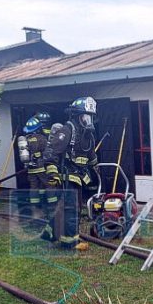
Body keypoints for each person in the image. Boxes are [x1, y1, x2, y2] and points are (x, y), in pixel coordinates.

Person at [43, 96, 99, 247]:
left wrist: (96, 170)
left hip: (79, 177)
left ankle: (51, 236)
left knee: (68, 208)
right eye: (86, 116)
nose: (89, 120)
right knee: (70, 209)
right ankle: (70, 243)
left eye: (91, 117)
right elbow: (51, 153)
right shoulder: (67, 130)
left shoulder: (88, 135)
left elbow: (91, 156)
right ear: (78, 116)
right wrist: (53, 173)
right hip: (67, 177)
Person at [19, 116, 57, 238]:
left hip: (31, 170)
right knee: (49, 186)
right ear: (38, 128)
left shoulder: (25, 140)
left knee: (34, 189)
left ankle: (36, 212)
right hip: (41, 168)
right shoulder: (42, 139)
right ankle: (51, 210)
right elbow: (47, 153)